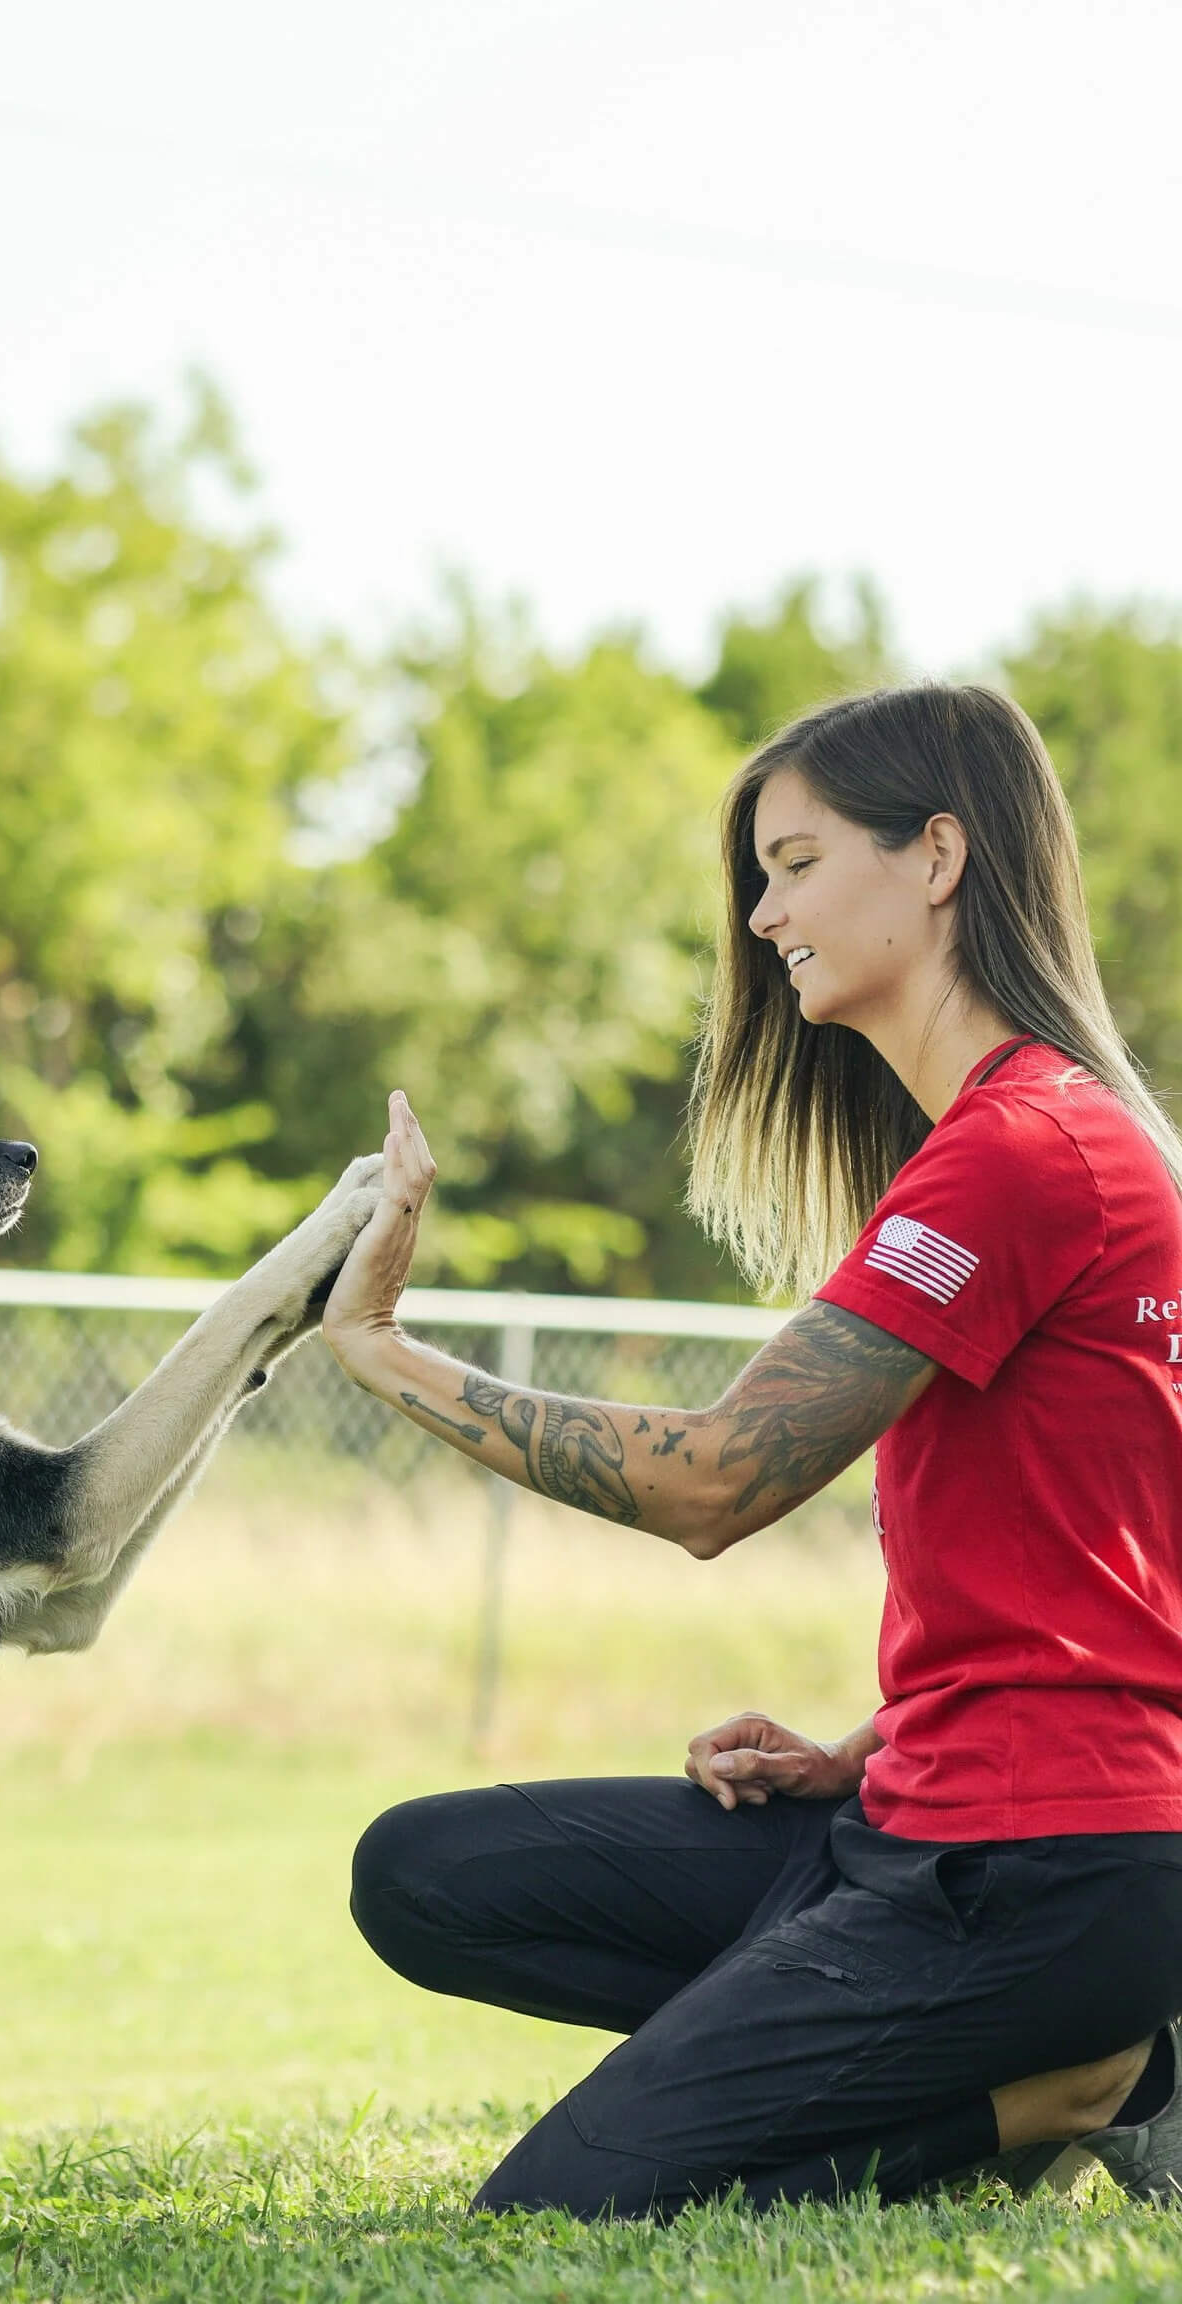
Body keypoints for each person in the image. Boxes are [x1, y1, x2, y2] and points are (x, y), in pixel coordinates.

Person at [318, 682, 1182, 2221]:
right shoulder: (1046, 1142)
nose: (765, 911)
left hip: (1042, 1871)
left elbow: (719, 1480)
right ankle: (1004, 2039)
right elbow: (1118, 1561)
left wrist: (382, 1352)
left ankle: (1086, 2081)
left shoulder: (1026, 1149)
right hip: (925, 1818)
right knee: (423, 1873)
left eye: (792, 862)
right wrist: (870, 1746)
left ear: (936, 855)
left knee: (563, 2213)